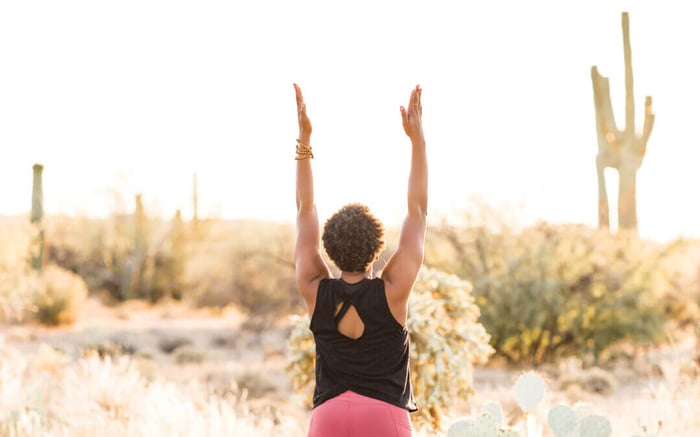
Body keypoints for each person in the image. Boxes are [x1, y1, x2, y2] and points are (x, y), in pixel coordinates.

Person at [293, 83, 428, 437]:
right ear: (377, 249)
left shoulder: (313, 287)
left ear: (330, 249)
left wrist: (305, 143)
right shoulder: (393, 290)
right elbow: (418, 212)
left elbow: (305, 210)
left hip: (329, 417)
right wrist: (418, 141)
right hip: (384, 416)